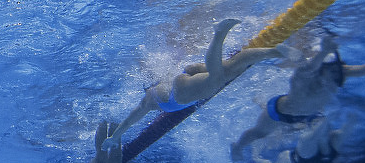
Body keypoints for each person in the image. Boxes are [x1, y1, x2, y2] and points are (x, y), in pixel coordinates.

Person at [104, 19, 286, 147]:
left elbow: (128, 123)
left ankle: (220, 33)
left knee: (216, 81)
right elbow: (126, 123)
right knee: (232, 67)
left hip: (179, 95)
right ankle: (276, 52)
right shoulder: (160, 82)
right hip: (186, 72)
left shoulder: (147, 101)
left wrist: (113, 138)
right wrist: (113, 137)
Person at [231, 38, 365, 160]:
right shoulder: (306, 73)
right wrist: (324, 51)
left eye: (335, 72)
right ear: (323, 66)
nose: (332, 76)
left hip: (309, 117)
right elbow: (308, 68)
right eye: (329, 71)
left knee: (309, 135)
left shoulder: (340, 73)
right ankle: (238, 147)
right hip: (280, 111)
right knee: (259, 133)